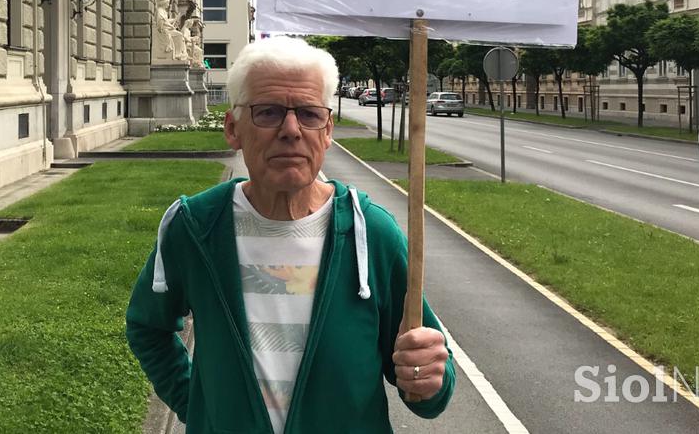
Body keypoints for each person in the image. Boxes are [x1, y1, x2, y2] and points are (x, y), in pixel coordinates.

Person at [126, 37, 456, 433]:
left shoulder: (371, 233)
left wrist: (426, 377)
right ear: (233, 128)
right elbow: (148, 327)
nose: (291, 130)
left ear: (328, 129)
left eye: (309, 114)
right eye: (268, 112)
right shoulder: (195, 227)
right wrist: (199, 406)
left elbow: (426, 383)